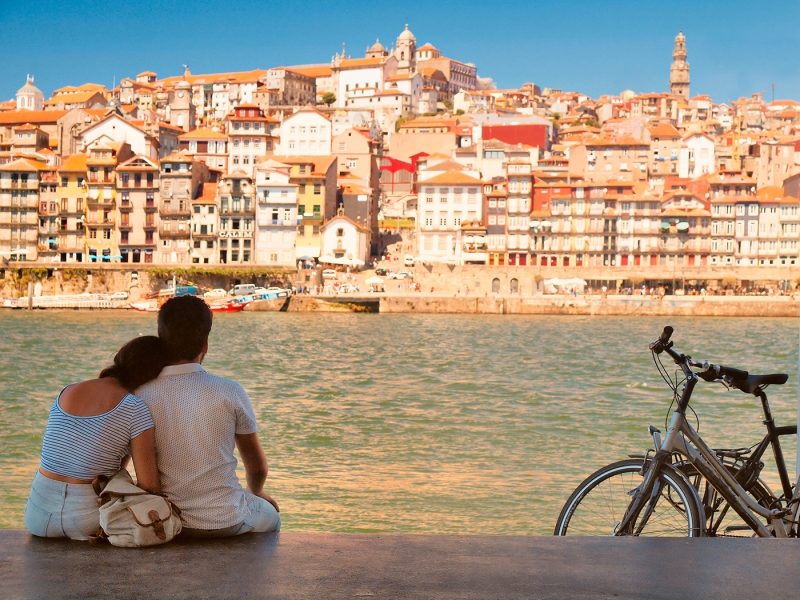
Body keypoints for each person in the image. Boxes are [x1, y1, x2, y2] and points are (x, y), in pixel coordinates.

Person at [136, 295, 280, 537]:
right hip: (227, 520)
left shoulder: (141, 394)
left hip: (170, 524)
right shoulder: (230, 391)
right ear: (205, 344)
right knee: (271, 516)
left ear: (161, 340)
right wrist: (257, 492)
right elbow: (256, 467)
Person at [24, 336, 167, 540]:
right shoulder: (134, 407)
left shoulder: (68, 391)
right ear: (153, 376)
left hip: (37, 516)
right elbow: (149, 486)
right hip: (89, 521)